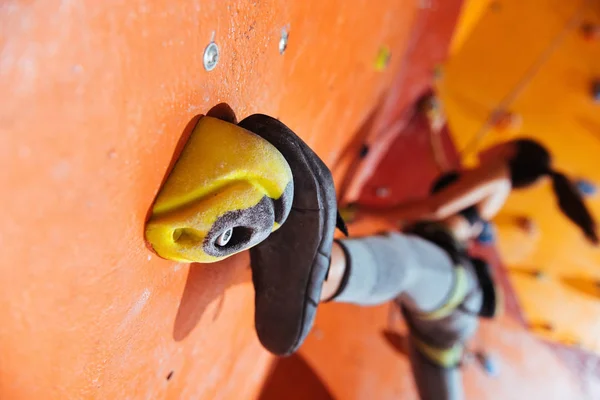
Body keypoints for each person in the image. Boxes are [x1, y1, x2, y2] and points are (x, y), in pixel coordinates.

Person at [235, 114, 598, 399]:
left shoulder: (498, 174)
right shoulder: (487, 183)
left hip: (446, 279)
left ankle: (311, 271)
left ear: (512, 150)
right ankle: (310, 274)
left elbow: (435, 205)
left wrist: (368, 209)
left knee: (402, 261)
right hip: (443, 309)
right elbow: (448, 186)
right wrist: (436, 128)